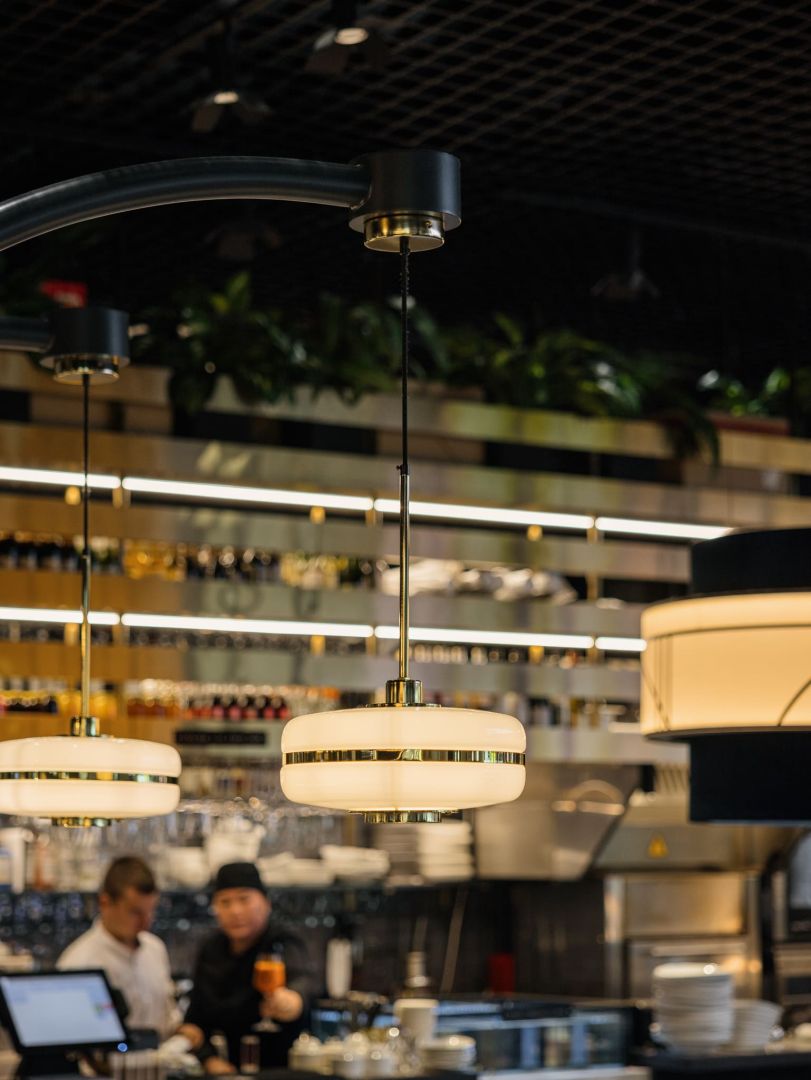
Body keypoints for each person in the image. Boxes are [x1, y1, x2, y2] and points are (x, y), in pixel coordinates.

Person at [178, 862, 315, 1075]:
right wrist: (209, 1059)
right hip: (226, 1071)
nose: (235, 911)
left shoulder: (282, 941)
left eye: (244, 899)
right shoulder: (211, 949)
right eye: (225, 902)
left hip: (281, 1070)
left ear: (266, 903)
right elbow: (195, 1020)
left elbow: (304, 982)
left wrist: (292, 1002)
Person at [57, 855, 180, 1041]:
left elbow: (167, 1018)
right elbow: (72, 1038)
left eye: (151, 911)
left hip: (161, 1058)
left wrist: (182, 1031)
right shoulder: (79, 963)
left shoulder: (155, 948)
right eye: (135, 912)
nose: (146, 922)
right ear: (105, 903)